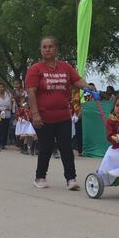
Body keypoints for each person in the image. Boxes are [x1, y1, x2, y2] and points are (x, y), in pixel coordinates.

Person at [26, 36, 92, 190]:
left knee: (66, 147)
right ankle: (40, 177)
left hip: (63, 116)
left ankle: (71, 179)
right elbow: (31, 92)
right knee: (47, 147)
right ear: (41, 50)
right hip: (42, 117)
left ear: (56, 49)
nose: (47, 49)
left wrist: (87, 87)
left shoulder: (65, 67)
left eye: (50, 46)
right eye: (44, 47)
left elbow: (77, 81)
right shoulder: (35, 69)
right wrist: (35, 114)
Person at [0, 83, 12, 149]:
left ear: (4, 88)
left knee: (5, 129)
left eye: (2, 87)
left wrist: (9, 107)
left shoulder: (8, 95)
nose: (0, 88)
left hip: (7, 114)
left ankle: (3, 144)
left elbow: (11, 103)